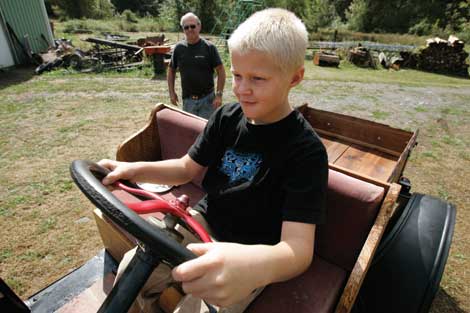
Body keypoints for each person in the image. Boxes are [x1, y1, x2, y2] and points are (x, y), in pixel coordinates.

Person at [99, 8, 328, 313]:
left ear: (295, 78)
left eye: (257, 79)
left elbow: (298, 251)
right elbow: (185, 168)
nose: (242, 89)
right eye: (236, 75)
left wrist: (253, 266)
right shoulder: (227, 118)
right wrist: (133, 168)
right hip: (203, 221)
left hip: (252, 252)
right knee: (135, 269)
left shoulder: (306, 152)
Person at [167, 12, 226, 119]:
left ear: (199, 26)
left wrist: (219, 94)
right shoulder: (179, 49)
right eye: (186, 27)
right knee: (191, 132)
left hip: (208, 100)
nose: (190, 29)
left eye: (193, 26)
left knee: (208, 132)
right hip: (188, 101)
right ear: (183, 29)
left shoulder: (209, 47)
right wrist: (171, 92)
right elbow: (171, 70)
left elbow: (221, 70)